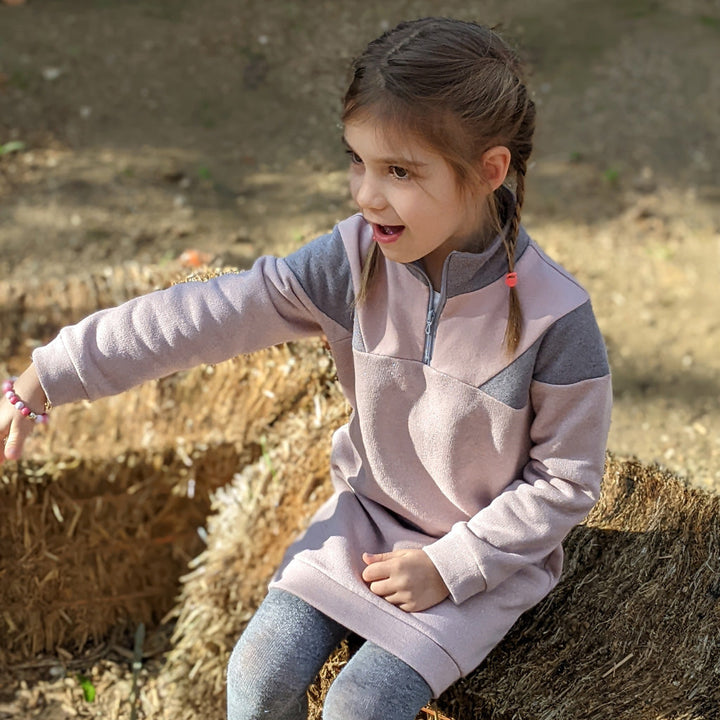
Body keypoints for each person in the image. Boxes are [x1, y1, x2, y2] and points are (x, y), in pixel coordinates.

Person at [0, 17, 612, 720]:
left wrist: (451, 566)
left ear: (489, 171)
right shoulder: (351, 263)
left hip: (478, 566)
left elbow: (565, 482)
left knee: (359, 705)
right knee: (256, 676)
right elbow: (200, 318)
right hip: (364, 523)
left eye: (400, 172)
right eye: (358, 161)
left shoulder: (556, 318)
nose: (365, 194)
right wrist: (43, 378)